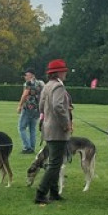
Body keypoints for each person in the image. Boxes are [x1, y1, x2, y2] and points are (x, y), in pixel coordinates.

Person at [34, 59, 72, 204]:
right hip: (57, 130)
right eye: (64, 71)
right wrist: (65, 123)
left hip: (48, 128)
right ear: (58, 73)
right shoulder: (58, 87)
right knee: (55, 163)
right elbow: (57, 106)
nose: (65, 73)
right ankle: (41, 192)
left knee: (55, 160)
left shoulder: (47, 86)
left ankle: (54, 192)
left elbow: (41, 105)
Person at [16, 68, 43, 155]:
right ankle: (32, 147)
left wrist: (20, 106)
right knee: (32, 129)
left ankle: (27, 147)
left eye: (26, 75)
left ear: (32, 75)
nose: (25, 77)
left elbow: (25, 95)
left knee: (21, 127)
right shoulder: (41, 83)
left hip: (28, 108)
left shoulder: (28, 83)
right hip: (37, 109)